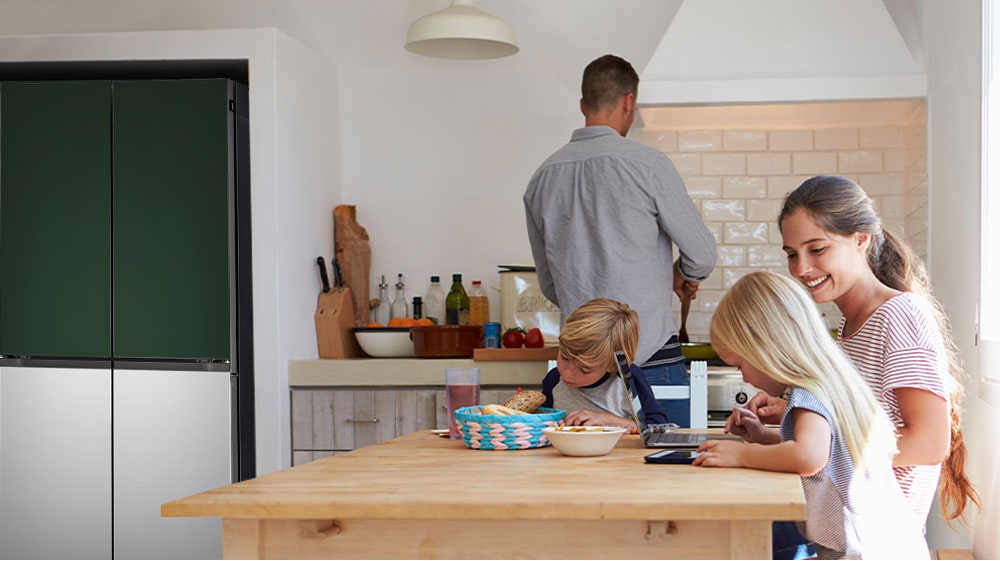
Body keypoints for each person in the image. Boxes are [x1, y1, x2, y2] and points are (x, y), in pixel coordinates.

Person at [747, 175, 980, 527]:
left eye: (817, 249)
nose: (801, 269)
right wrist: (783, 426)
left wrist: (818, 449)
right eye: (792, 254)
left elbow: (929, 443)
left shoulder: (900, 316)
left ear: (861, 239)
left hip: (876, 540)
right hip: (847, 531)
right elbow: (867, 424)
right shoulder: (852, 327)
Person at [524, 54, 716, 427]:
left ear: (582, 105)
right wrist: (678, 273)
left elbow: (550, 285)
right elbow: (702, 256)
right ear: (629, 101)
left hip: (578, 370)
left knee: (571, 475)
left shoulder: (541, 178)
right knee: (662, 468)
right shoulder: (648, 165)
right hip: (651, 361)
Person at [694, 271, 930, 560]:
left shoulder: (809, 392)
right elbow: (830, 449)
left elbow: (809, 456)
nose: (742, 374)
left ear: (766, 350)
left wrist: (741, 455)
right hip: (882, 545)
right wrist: (762, 436)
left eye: (740, 363)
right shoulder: (829, 381)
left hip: (861, 552)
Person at [540, 298, 667, 429]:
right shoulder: (554, 380)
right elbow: (541, 426)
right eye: (565, 357)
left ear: (612, 366)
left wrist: (610, 420)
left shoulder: (628, 379)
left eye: (584, 369)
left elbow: (659, 428)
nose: (567, 373)